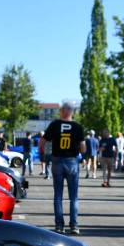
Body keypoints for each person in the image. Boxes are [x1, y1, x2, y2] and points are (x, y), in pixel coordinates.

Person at [40, 100, 86, 234]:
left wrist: (43, 153)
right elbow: (83, 148)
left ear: (62, 111)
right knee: (73, 197)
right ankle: (74, 225)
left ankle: (59, 225)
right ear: (72, 112)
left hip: (57, 161)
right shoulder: (78, 127)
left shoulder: (55, 124)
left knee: (58, 195)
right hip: (71, 161)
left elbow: (42, 141)